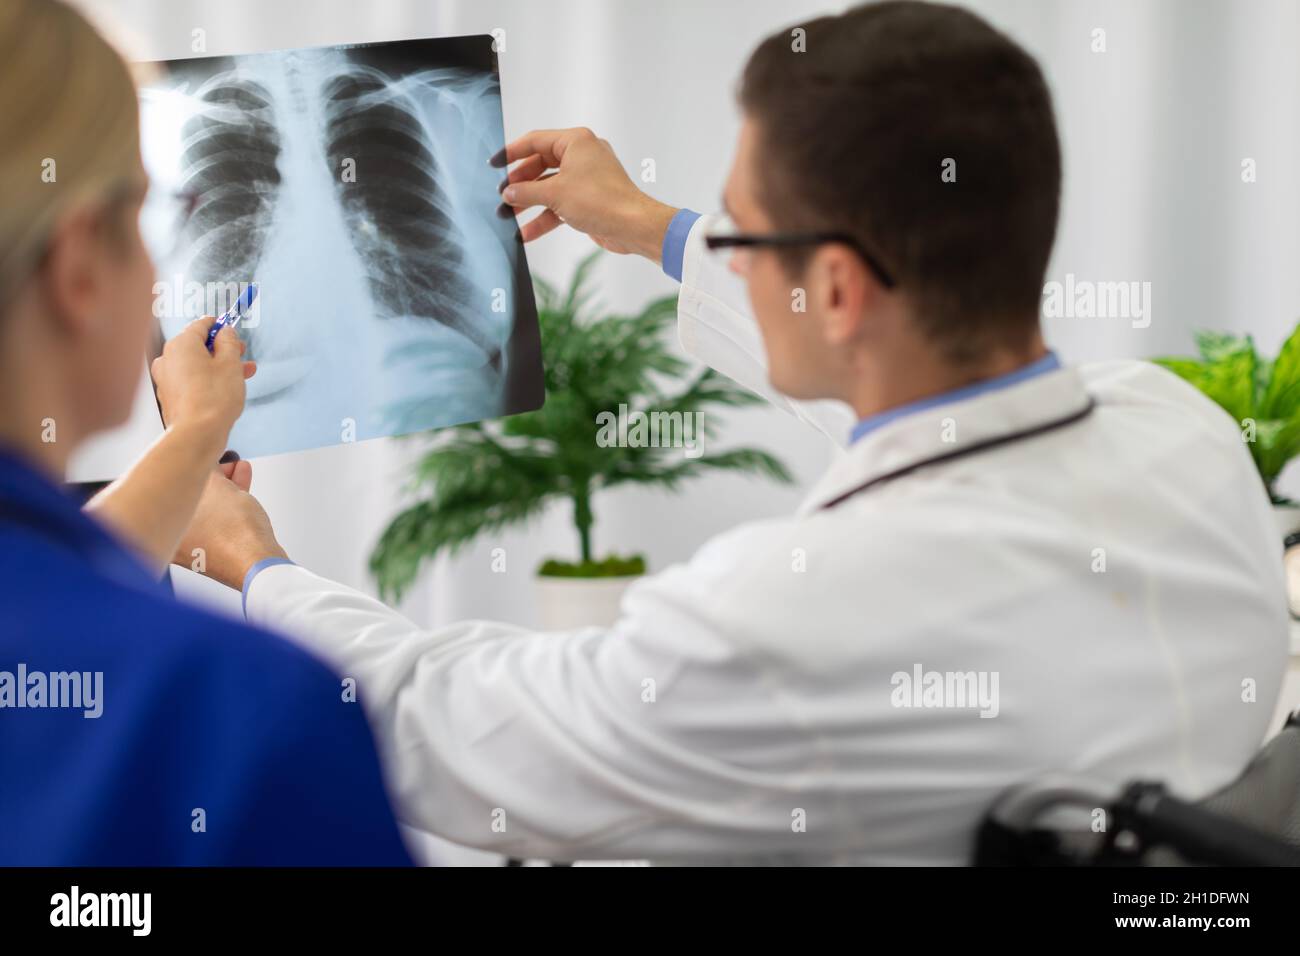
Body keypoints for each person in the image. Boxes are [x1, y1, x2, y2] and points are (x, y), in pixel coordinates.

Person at [182, 0, 1287, 864]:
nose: (730, 256)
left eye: (741, 232)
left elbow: (458, 731)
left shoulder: (799, 618)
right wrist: (659, 230)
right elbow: (931, 399)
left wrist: (257, 561)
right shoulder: (1178, 426)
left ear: (839, 290)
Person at [0, 0, 410, 865]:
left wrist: (193, 436)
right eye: (150, 221)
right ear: (79, 267)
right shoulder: (236, 710)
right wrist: (261, 565)